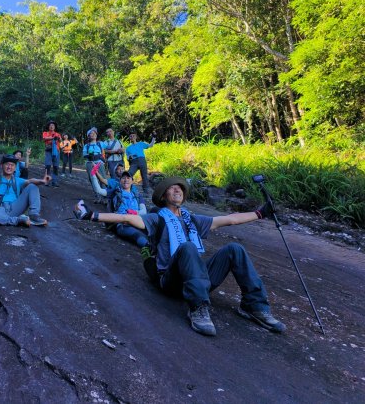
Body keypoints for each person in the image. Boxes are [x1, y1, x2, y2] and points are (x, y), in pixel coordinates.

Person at [73, 176, 286, 337]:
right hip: (171, 280)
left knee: (234, 249)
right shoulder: (157, 218)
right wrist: (93, 215)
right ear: (164, 196)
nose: (177, 190)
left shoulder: (190, 219)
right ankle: (198, 308)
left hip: (197, 279)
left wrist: (260, 213)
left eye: (180, 188)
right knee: (187, 248)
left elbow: (228, 220)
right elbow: (127, 219)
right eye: (172, 188)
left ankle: (254, 305)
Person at [0, 155, 50, 227]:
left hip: (15, 207)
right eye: (7, 164)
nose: (9, 167)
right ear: (1, 165)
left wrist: (41, 181)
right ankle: (16, 220)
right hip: (0, 209)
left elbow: (30, 181)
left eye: (12, 165)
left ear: (15, 168)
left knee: (33, 186)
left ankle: (34, 216)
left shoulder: (18, 180)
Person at [82, 127, 108, 203]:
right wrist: (90, 155)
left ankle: (105, 197)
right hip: (90, 163)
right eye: (90, 134)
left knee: (103, 179)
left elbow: (109, 146)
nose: (92, 135)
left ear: (96, 135)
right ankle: (97, 197)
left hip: (99, 163)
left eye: (94, 133)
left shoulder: (101, 143)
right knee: (92, 180)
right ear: (88, 136)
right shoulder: (86, 146)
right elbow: (84, 155)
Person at [42, 121, 61, 187]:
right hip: (48, 151)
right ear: (48, 127)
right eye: (50, 125)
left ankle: (54, 181)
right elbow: (44, 138)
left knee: (56, 166)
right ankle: (46, 181)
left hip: (56, 151)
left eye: (53, 125)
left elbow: (60, 140)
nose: (51, 126)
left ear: (55, 127)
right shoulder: (45, 133)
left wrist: (58, 138)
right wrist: (53, 138)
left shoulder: (58, 134)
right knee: (48, 166)